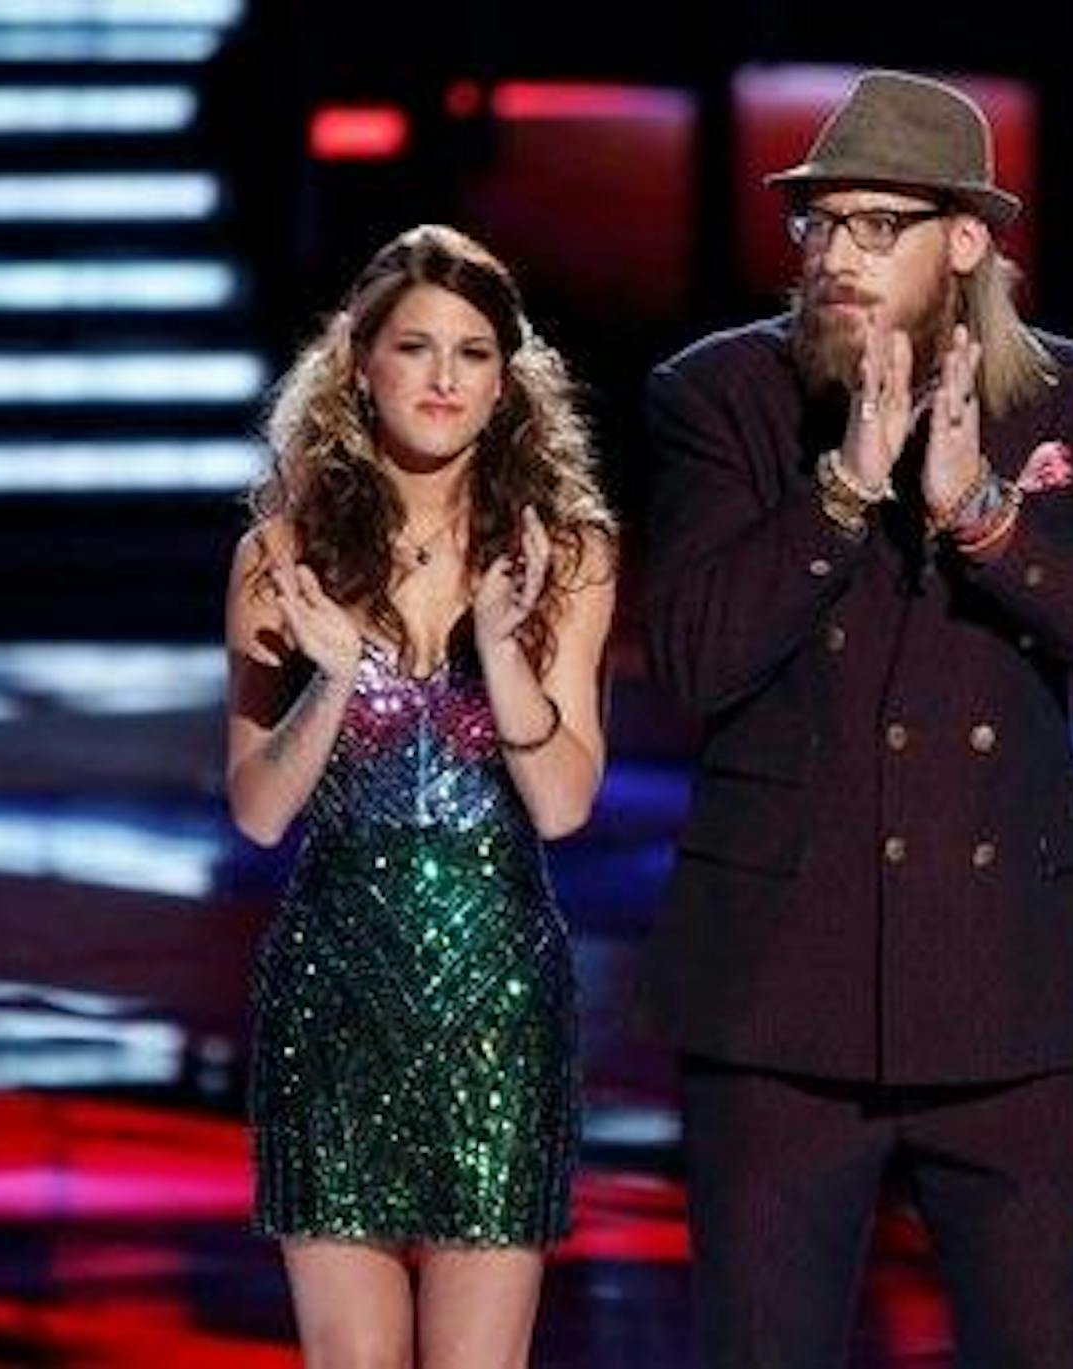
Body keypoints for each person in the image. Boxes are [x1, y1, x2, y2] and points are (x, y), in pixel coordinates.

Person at [635, 69, 1073, 1367]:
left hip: (1018, 1001)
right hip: (781, 995)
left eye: (874, 224)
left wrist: (990, 522)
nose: (835, 255)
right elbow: (693, 660)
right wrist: (838, 494)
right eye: (818, 224)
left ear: (965, 241)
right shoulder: (723, 398)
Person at [226, 223, 617, 1369]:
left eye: (475, 352)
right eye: (416, 347)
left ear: (507, 379)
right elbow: (256, 809)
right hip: (332, 1002)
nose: (445, 377)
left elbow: (561, 805)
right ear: (361, 363)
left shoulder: (568, 553)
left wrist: (501, 652)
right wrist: (335, 680)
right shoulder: (281, 555)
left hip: (500, 1004)